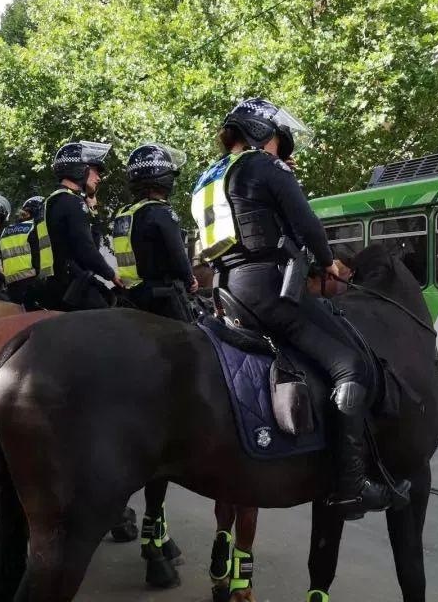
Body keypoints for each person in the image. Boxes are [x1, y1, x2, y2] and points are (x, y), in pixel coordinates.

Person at [190, 97, 409, 519]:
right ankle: (350, 486)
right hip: (269, 291)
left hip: (227, 292)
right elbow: (306, 223)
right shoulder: (263, 165)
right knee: (350, 365)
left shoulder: (209, 177)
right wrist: (329, 262)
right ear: (259, 134)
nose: (279, 148)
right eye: (276, 139)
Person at [111, 143, 199, 322]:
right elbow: (177, 253)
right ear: (163, 177)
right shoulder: (161, 212)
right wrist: (190, 280)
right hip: (163, 298)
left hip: (132, 296)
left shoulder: (126, 214)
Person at [35, 140, 123, 310]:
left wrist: (93, 209)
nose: (99, 178)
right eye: (95, 171)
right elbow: (87, 249)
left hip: (52, 287)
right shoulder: (72, 202)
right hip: (74, 287)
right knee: (114, 325)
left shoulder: (47, 203)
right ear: (81, 168)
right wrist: (111, 274)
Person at [0, 196, 45, 311]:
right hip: (33, 283)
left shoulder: (6, 231)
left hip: (11, 287)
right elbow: (39, 258)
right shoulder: (36, 228)